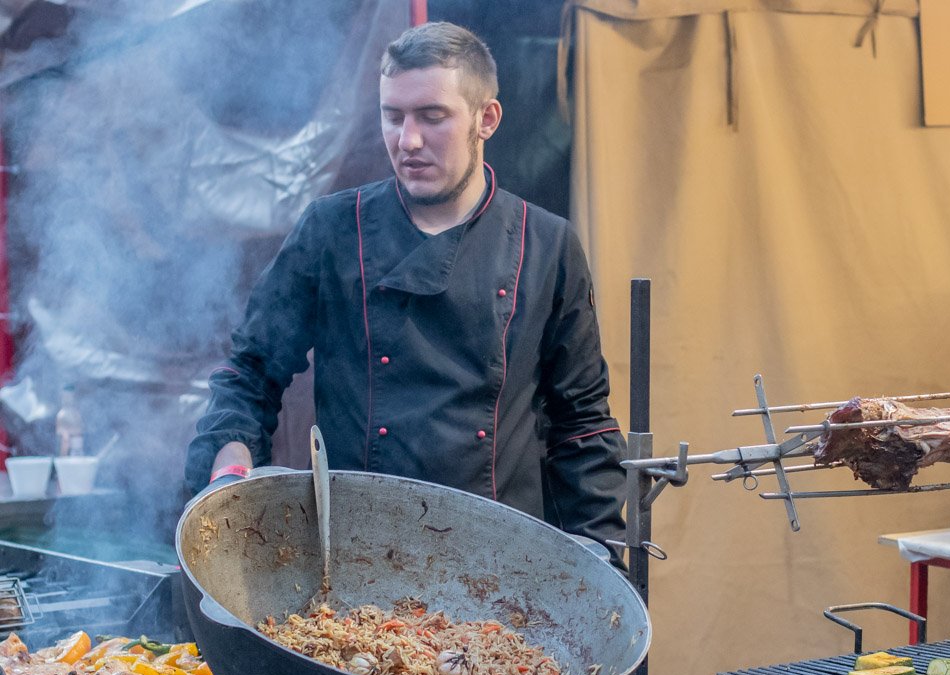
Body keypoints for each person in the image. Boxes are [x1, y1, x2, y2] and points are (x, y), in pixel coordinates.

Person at [185, 22, 625, 563]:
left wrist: (604, 552)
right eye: (393, 116)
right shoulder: (331, 231)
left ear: (486, 119)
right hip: (352, 564)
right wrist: (229, 461)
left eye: (432, 116)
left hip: (502, 569)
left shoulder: (547, 244)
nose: (408, 140)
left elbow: (581, 421)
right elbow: (250, 371)